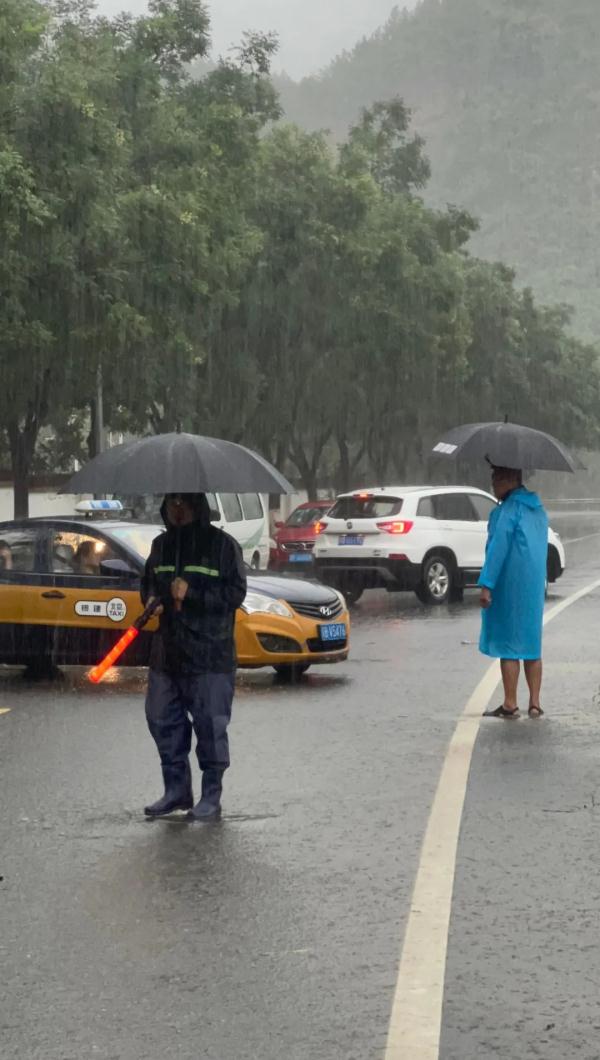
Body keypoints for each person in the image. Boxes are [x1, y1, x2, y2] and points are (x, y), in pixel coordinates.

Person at [141, 492, 247, 821]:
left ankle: (211, 796)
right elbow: (148, 584)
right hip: (167, 654)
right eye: (171, 502)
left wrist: (193, 594)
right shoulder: (161, 547)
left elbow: (235, 593)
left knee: (210, 727)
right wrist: (151, 599)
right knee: (162, 721)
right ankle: (176, 791)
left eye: (183, 502)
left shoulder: (223, 546)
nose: (176, 508)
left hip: (210, 655)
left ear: (196, 505)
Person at [478, 465, 548, 719]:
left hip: (510, 584)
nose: (493, 484)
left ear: (512, 480)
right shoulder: (538, 510)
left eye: (497, 479)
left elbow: (498, 550)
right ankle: (535, 703)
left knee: (509, 644)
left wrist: (487, 584)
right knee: (531, 643)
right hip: (533, 586)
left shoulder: (507, 511)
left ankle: (509, 703)